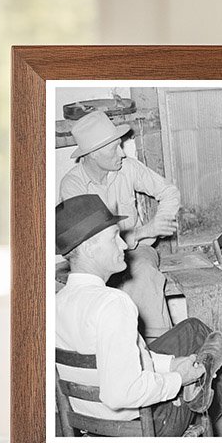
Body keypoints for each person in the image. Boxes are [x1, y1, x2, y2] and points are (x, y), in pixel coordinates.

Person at [56, 195, 222, 437]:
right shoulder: (113, 304)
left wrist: (171, 364)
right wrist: (178, 379)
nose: (123, 245)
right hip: (143, 427)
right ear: (89, 248)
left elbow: (124, 360)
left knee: (192, 330)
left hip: (89, 422)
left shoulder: (57, 302)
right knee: (202, 368)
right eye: (114, 238)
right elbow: (120, 394)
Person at [59, 110, 179, 337]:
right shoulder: (73, 185)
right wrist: (146, 230)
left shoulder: (128, 167)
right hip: (95, 257)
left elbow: (169, 192)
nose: (122, 153)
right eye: (114, 148)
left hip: (137, 251)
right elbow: (91, 241)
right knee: (97, 295)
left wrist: (160, 222)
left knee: (143, 274)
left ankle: (159, 343)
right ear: (93, 154)